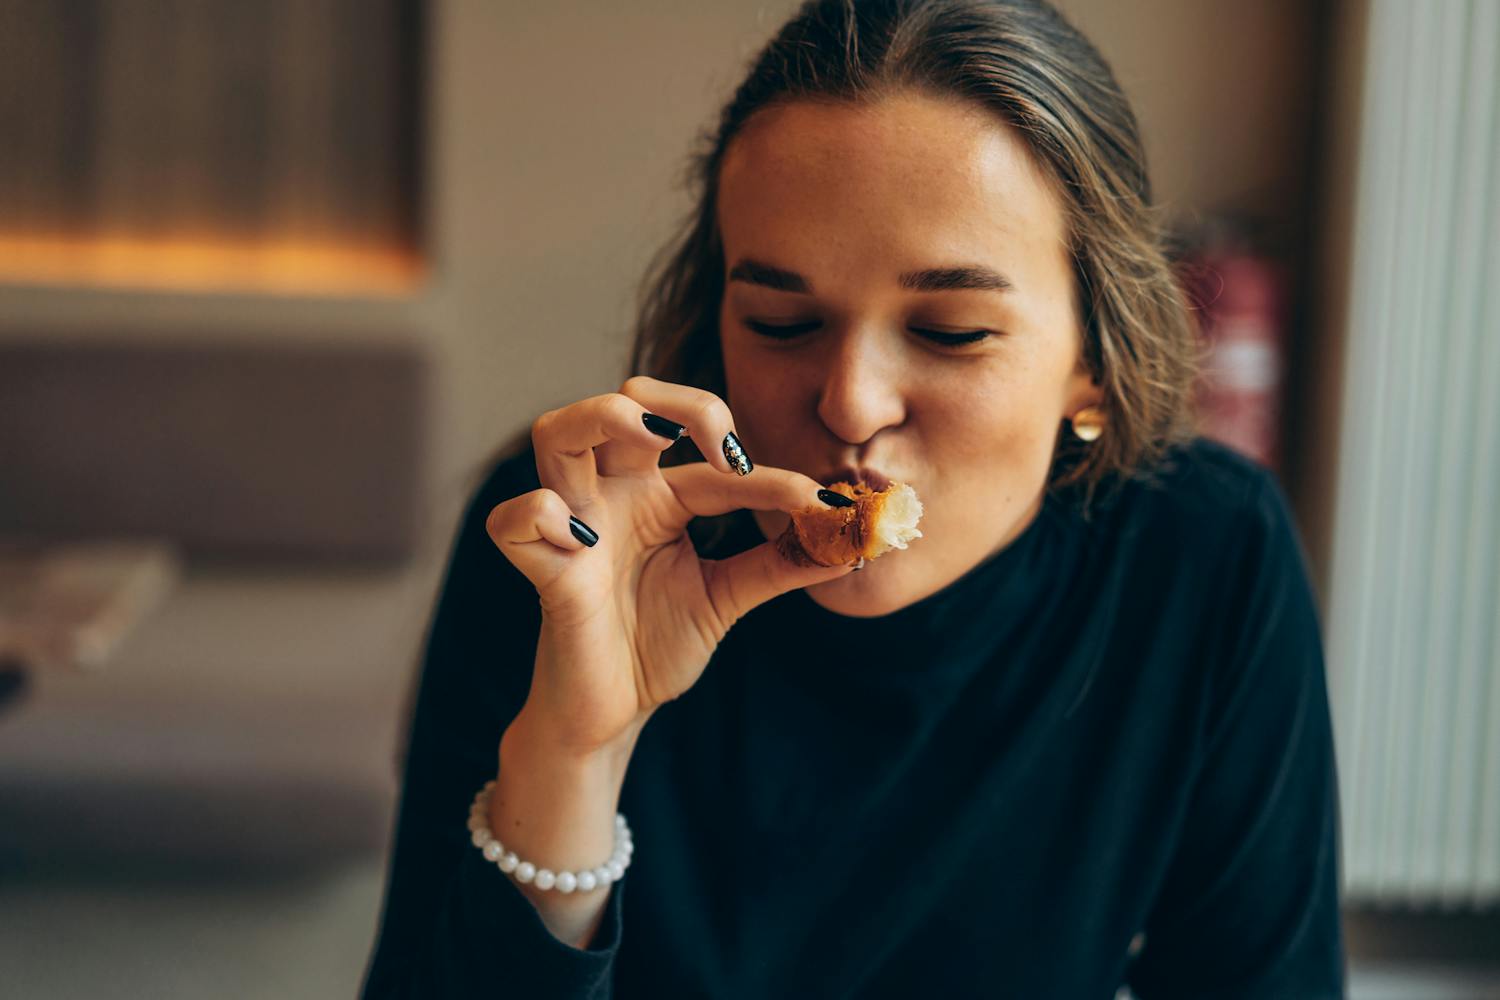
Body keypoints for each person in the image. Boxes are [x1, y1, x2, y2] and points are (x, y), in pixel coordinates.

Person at [360, 0, 1346, 996]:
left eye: (953, 330)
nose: (850, 402)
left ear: (1095, 357)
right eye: (782, 321)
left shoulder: (1203, 554)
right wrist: (572, 755)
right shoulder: (571, 540)